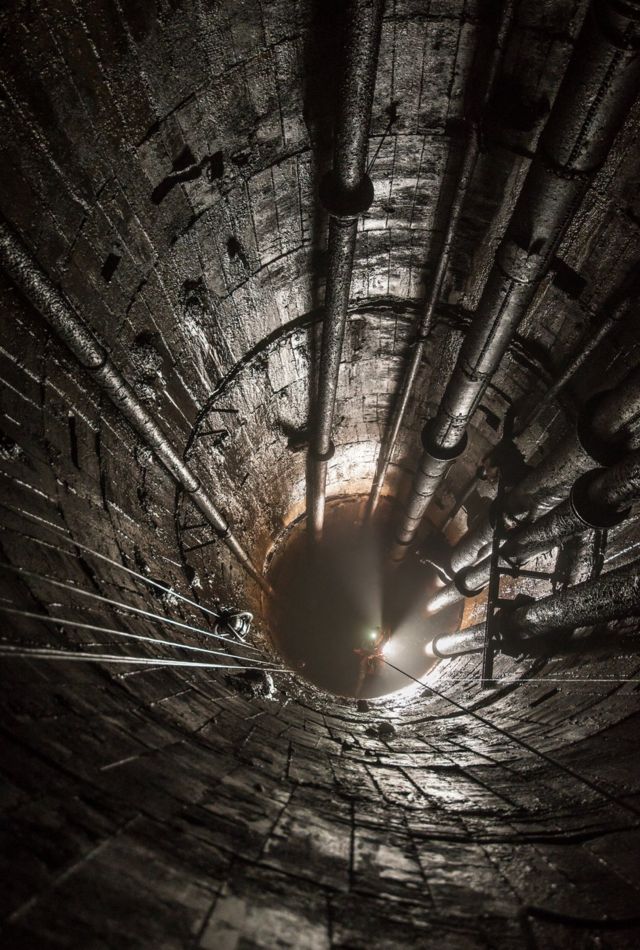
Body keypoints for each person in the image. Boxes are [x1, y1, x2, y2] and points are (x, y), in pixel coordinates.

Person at [353, 626, 390, 697]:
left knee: (381, 673)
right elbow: (361, 649)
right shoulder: (368, 641)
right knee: (362, 677)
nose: (380, 637)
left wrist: (379, 654)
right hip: (367, 663)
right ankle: (358, 694)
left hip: (377, 662)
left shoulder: (381, 642)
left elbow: (382, 652)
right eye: (378, 635)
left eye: (381, 635)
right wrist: (370, 655)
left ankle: (382, 691)